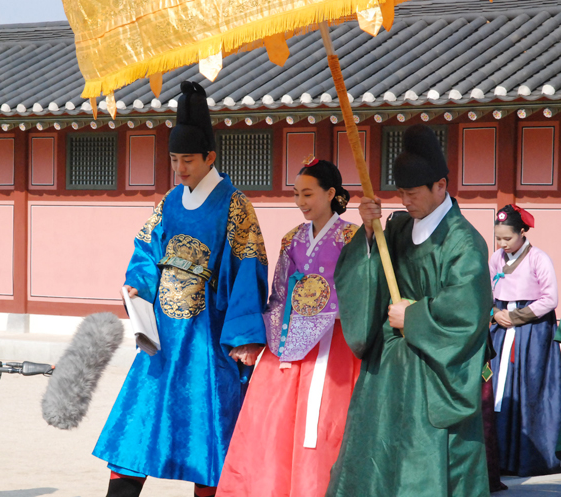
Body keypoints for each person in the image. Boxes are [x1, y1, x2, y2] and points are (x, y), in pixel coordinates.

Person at [93, 81, 269, 497]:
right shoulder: (169, 203)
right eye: (174, 160)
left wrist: (244, 338)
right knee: (137, 432)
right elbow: (146, 250)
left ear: (210, 157)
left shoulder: (235, 206)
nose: (180, 169)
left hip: (207, 340)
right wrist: (138, 285)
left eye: (187, 160)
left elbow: (249, 270)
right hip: (164, 340)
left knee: (207, 441)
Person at [326, 124, 493, 496]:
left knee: (423, 461)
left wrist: (414, 316)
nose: (404, 201)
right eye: (400, 192)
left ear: (440, 186)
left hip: (434, 373)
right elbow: (367, 280)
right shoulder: (398, 228)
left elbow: (468, 311)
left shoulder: (464, 243)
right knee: (375, 456)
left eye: (412, 193)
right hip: (387, 370)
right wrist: (369, 232)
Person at [216, 158, 360, 497]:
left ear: (331, 193)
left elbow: (360, 289)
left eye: (307, 194)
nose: (300, 202)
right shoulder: (292, 239)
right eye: (296, 194)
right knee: (275, 420)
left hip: (335, 339)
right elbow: (279, 293)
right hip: (289, 337)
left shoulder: (352, 238)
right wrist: (265, 339)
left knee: (325, 419)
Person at [489, 204, 561, 476]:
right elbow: (486, 290)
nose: (502, 244)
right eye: (498, 238)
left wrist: (515, 317)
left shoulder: (538, 258)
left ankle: (530, 457)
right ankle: (500, 457)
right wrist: (495, 313)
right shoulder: (496, 258)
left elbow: (550, 299)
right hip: (501, 329)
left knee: (530, 388)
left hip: (532, 333)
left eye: (507, 238)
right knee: (499, 389)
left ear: (522, 232)